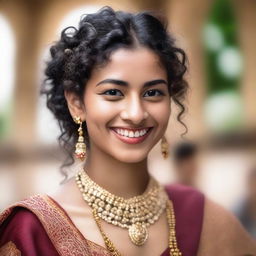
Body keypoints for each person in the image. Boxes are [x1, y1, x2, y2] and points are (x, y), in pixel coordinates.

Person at [0, 6, 255, 256]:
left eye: (152, 93)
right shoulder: (31, 232)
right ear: (77, 103)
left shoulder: (203, 219)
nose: (135, 113)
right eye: (113, 93)